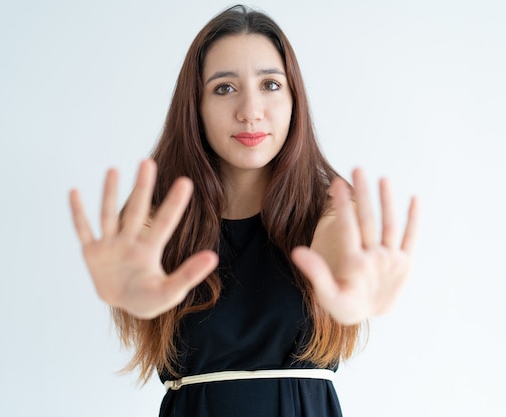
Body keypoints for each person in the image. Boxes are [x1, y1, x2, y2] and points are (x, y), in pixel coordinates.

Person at [69, 4, 418, 416]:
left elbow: (336, 249)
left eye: (270, 84)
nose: (250, 110)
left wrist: (347, 288)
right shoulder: (159, 218)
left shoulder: (332, 209)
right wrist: (137, 297)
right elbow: (140, 256)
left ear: (294, 100)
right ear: (195, 107)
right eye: (224, 88)